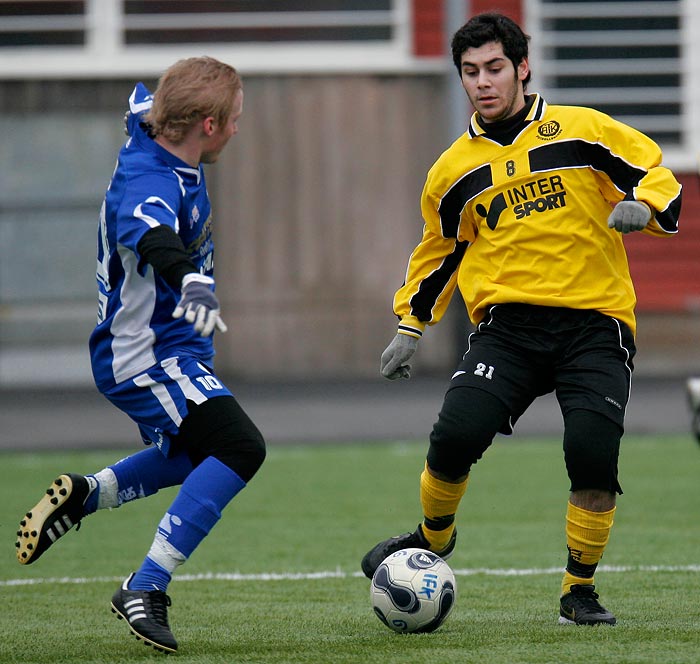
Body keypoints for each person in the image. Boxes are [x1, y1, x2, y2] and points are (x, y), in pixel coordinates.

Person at [361, 13, 682, 626]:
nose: (483, 82)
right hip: (509, 328)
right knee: (454, 437)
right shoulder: (451, 170)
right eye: (470, 72)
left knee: (592, 453)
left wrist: (645, 204)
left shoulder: (584, 131)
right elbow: (441, 251)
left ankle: (578, 592)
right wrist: (411, 323)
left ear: (522, 68)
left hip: (596, 324)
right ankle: (432, 539)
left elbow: (655, 173)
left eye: (494, 68)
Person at [15, 56, 265, 653]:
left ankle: (88, 493)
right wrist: (192, 279)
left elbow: (148, 105)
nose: (237, 128)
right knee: (239, 447)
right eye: (232, 119)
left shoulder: (161, 131)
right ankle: (144, 586)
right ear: (206, 124)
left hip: (171, 344)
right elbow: (151, 233)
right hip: (143, 352)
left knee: (190, 457)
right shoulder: (150, 178)